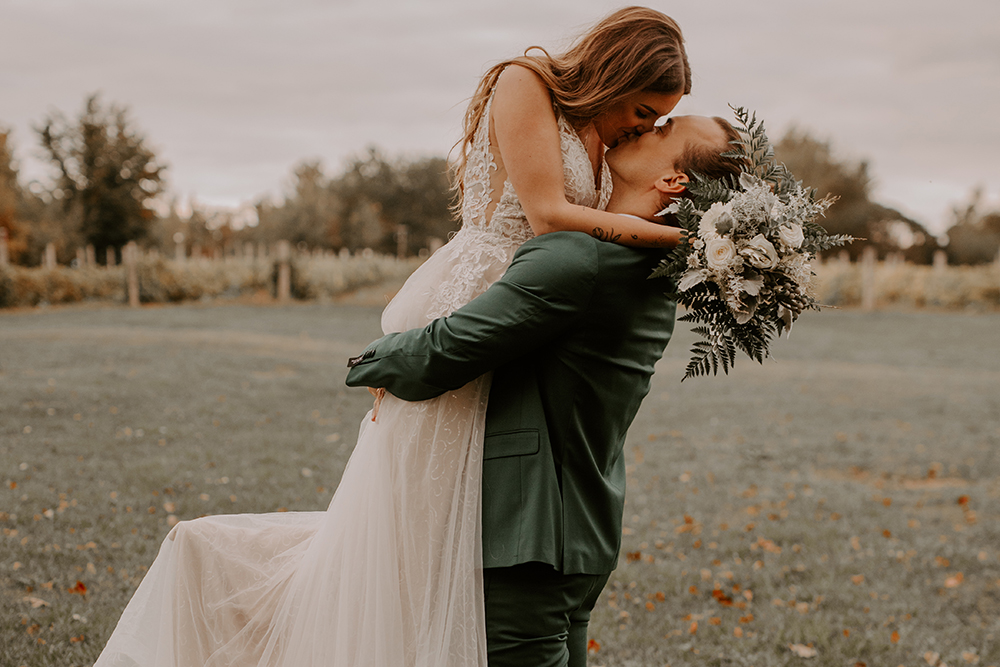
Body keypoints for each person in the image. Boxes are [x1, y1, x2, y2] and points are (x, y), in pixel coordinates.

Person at [94, 8, 697, 667]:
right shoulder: (527, 83)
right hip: (482, 291)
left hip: (532, 306)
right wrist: (686, 242)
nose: (643, 128)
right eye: (642, 110)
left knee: (460, 511)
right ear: (616, 71)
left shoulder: (603, 140)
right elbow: (549, 215)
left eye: (653, 121)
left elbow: (594, 233)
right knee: (423, 509)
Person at [345, 114, 743, 666]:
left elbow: (443, 353)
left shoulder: (578, 258)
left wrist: (369, 360)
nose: (644, 127)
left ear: (673, 182)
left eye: (663, 128)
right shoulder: (653, 276)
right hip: (582, 532)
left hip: (525, 537)